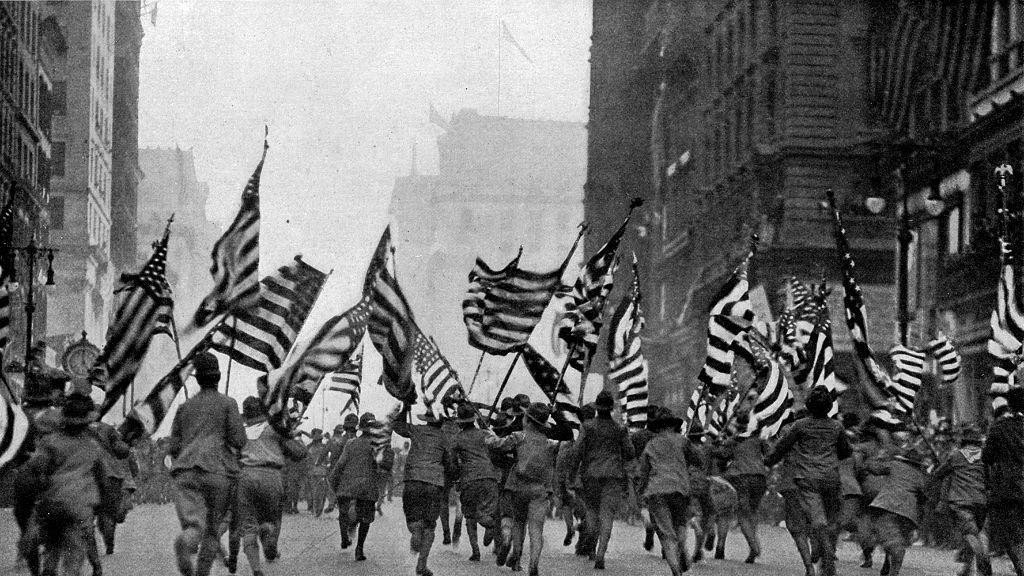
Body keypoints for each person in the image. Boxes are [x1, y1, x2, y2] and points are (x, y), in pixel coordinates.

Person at [167, 351, 247, 576]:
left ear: (197, 378)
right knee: (212, 530)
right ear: (219, 377)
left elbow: (173, 447)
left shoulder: (184, 407)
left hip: (185, 472)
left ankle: (186, 540)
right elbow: (238, 440)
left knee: (194, 526)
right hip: (217, 472)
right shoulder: (227, 403)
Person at [18, 393, 108, 576]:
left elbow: (35, 470)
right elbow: (102, 479)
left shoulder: (50, 442)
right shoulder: (93, 446)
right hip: (79, 506)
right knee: (74, 556)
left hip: (51, 504)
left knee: (52, 545)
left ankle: (49, 569)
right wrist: (104, 505)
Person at [764, 387, 850, 576]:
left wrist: (768, 461)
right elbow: (846, 451)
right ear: (829, 406)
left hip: (807, 479)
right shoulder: (837, 427)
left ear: (809, 405)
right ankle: (828, 554)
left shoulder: (800, 426)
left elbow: (781, 448)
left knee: (817, 520)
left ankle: (825, 552)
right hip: (830, 479)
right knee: (831, 520)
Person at [226, 397, 308, 576]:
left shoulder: (239, 432)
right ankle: (267, 532)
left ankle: (256, 568)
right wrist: (294, 435)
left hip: (246, 476)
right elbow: (300, 452)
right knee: (271, 519)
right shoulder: (274, 429)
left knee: (247, 525)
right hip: (272, 477)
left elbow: (229, 458)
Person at [484, 402, 567, 576]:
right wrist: (556, 413)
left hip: (518, 487)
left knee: (519, 523)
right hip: (540, 490)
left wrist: (489, 435)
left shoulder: (518, 437)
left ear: (527, 420)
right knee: (536, 529)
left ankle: (516, 555)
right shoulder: (549, 443)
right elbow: (567, 433)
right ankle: (533, 564)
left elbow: (498, 444)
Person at [570, 390, 635, 570]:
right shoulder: (620, 429)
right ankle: (601, 553)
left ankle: (591, 539)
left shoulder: (587, 427)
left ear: (597, 407)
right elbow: (630, 452)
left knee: (591, 511)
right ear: (612, 408)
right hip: (613, 476)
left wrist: (572, 473)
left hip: (590, 475)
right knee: (607, 516)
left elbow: (576, 452)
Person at [637, 407, 704, 576]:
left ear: (658, 427)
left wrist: (640, 493)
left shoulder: (651, 445)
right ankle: (682, 552)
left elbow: (643, 473)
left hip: (657, 491)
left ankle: (676, 572)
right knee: (680, 528)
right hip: (680, 490)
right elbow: (699, 460)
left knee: (667, 535)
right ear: (673, 426)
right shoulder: (682, 441)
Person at [392, 405, 452, 576]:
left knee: (413, 518)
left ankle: (415, 531)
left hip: (413, 481)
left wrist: (405, 408)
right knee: (430, 527)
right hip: (434, 484)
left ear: (426, 420)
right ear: (441, 422)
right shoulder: (444, 438)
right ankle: (421, 565)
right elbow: (450, 463)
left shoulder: (416, 430)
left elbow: (397, 425)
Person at [330, 412, 389, 561]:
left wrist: (334, 482)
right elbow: (383, 466)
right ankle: (359, 549)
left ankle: (344, 538)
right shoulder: (377, 445)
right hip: (367, 489)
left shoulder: (351, 443)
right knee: (366, 519)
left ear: (360, 428)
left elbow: (340, 465)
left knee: (343, 514)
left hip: (347, 486)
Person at [932, 426, 989, 576]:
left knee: (969, 534)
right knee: (975, 533)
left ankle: (981, 555)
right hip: (981, 501)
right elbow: (989, 477)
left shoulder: (956, 455)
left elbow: (938, 474)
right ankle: (967, 570)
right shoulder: (985, 456)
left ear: (964, 441)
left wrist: (936, 467)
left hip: (960, 501)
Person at [865, 449, 928, 576]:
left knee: (891, 541)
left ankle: (888, 561)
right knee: (897, 539)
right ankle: (892, 570)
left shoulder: (895, 465)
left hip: (886, 505)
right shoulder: (920, 476)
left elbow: (873, 468)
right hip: (908, 513)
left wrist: (877, 457)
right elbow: (924, 497)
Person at [714, 414, 767, 563]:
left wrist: (718, 444)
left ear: (737, 426)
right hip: (760, 478)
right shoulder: (758, 441)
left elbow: (722, 455)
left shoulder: (734, 441)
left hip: (739, 477)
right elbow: (770, 455)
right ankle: (752, 541)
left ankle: (752, 546)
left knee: (739, 514)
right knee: (753, 512)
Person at [982, 387, 1024, 576]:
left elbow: (987, 456)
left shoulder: (1000, 427)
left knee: (1010, 536)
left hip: (1009, 490)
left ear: (1010, 405)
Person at [305, 429, 329, 517]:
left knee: (313, 491)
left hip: (312, 472)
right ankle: (318, 510)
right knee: (322, 492)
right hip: (322, 471)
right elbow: (327, 460)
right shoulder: (324, 447)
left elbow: (306, 460)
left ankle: (314, 509)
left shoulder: (308, 447)